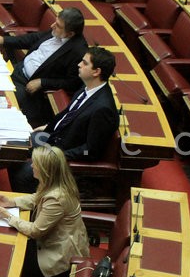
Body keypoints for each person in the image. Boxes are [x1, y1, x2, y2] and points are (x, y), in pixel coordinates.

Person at [0, 146, 89, 277]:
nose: (31, 167)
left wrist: (8, 216)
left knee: (9, 258)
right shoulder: (55, 184)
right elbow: (36, 198)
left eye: (35, 164)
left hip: (59, 254)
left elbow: (36, 231)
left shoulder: (56, 197)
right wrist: (12, 202)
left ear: (45, 169)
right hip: (56, 242)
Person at [8, 46, 119, 192]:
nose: (79, 64)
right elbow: (67, 113)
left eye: (85, 63)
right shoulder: (87, 87)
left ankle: (28, 210)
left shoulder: (103, 108)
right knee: (11, 149)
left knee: (22, 175)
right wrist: (48, 126)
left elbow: (90, 150)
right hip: (54, 139)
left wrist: (56, 155)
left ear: (96, 72)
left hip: (64, 153)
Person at [0, 8, 88, 128]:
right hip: (17, 69)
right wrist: (5, 40)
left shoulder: (78, 52)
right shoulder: (56, 32)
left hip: (27, 87)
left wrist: (42, 82)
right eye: (55, 22)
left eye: (58, 25)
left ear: (70, 34)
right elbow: (33, 38)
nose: (52, 25)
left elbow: (73, 83)